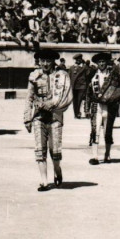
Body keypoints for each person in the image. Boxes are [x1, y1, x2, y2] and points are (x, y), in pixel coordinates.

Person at [23, 48, 72, 190]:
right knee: (40, 149)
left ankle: (57, 170)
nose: (44, 64)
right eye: (42, 61)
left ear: (53, 61)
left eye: (48, 61)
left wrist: (52, 105)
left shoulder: (61, 76)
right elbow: (29, 98)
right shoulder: (34, 76)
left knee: (55, 150)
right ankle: (44, 181)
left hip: (55, 116)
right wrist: (27, 118)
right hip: (39, 116)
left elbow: (66, 97)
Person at [87, 52, 120, 164]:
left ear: (106, 63)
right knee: (95, 130)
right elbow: (88, 92)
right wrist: (87, 107)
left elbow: (118, 91)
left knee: (108, 131)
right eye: (99, 62)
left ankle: (107, 155)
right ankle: (95, 156)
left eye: (103, 61)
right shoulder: (92, 75)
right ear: (97, 63)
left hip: (109, 106)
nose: (101, 64)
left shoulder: (114, 75)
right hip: (96, 105)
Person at [68, 54, 90, 118]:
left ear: (81, 60)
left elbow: (88, 74)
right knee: (74, 100)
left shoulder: (84, 67)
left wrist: (85, 66)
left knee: (79, 100)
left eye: (79, 59)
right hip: (74, 86)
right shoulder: (72, 68)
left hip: (81, 86)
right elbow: (69, 77)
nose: (78, 61)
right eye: (77, 59)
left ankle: (77, 113)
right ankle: (76, 113)